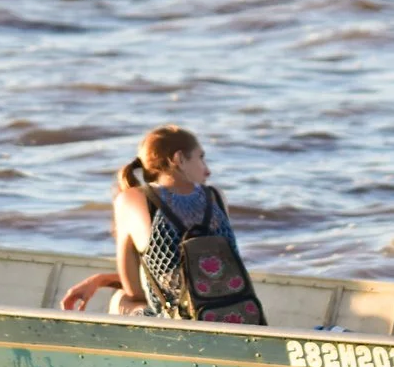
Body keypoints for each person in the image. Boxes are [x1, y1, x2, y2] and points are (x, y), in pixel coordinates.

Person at [60, 126, 263, 323]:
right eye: (201, 158)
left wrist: (102, 280)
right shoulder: (216, 197)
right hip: (239, 316)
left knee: (121, 299)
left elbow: (135, 291)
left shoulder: (132, 199)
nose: (208, 170)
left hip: (180, 322)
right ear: (179, 159)